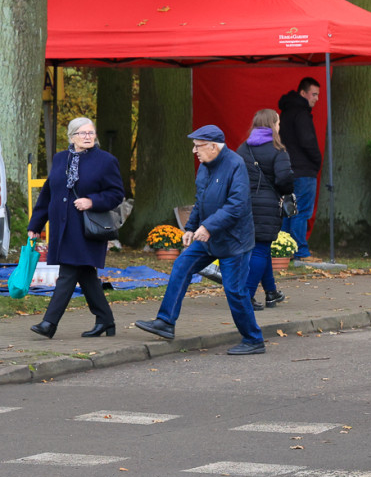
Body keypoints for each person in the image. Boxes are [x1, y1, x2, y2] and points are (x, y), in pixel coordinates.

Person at [135, 126, 265, 356]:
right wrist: (191, 227)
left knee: (235, 291)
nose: (195, 151)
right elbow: (201, 200)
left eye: (198, 146)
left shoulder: (236, 165)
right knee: (181, 266)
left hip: (234, 240)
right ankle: (165, 322)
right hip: (207, 236)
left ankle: (253, 339)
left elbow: (237, 206)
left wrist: (208, 226)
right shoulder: (205, 167)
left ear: (213, 146)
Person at [27, 117, 124, 339]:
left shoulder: (106, 161)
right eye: (83, 133)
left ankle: (49, 323)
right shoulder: (61, 158)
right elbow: (48, 193)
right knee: (86, 275)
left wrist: (92, 201)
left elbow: (116, 193)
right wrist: (36, 224)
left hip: (87, 229)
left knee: (68, 273)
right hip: (63, 228)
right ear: (72, 137)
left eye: (91, 133)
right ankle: (106, 321)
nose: (88, 137)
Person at [239, 109, 294, 311]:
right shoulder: (277, 150)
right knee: (260, 250)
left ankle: (271, 292)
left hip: (244, 205)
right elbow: (284, 180)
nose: (279, 126)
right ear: (272, 125)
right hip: (267, 206)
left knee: (261, 249)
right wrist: (286, 190)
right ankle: (246, 296)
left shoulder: (243, 149)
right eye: (278, 123)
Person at [278, 77, 321, 259]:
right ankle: (300, 251)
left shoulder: (285, 112)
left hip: (287, 169)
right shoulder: (302, 113)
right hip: (304, 170)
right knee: (301, 212)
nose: (317, 98)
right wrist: (317, 160)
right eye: (314, 94)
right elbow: (307, 140)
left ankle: (282, 250)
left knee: (288, 211)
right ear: (303, 93)